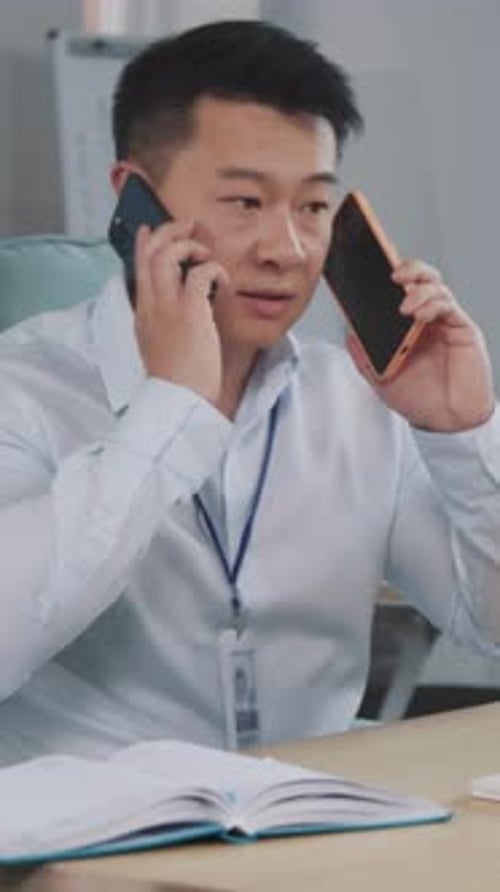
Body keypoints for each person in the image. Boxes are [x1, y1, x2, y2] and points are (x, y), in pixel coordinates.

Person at [0, 19, 499, 763]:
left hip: (311, 828)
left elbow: (488, 626)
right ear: (136, 201)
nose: (286, 249)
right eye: (244, 203)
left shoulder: (355, 400)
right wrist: (171, 411)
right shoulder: (24, 388)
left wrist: (461, 434)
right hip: (95, 853)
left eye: (312, 207)